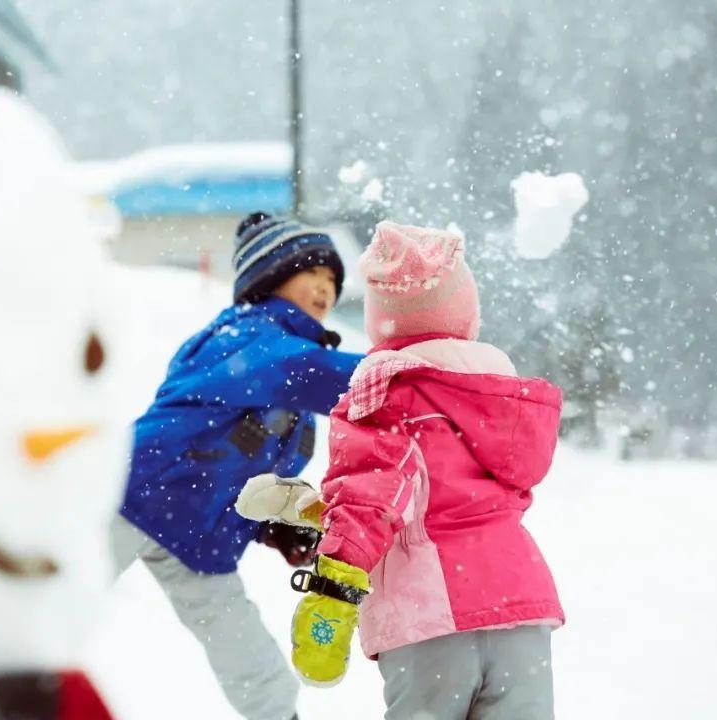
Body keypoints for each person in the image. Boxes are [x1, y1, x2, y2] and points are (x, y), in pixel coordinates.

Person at [240, 221, 564, 720]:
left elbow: (371, 501)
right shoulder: (500, 397)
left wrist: (331, 593)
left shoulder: (386, 394)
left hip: (431, 617)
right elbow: (439, 491)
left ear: (382, 319)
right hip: (520, 607)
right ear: (466, 314)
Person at [112, 212, 364, 720]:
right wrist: (406, 377)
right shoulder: (250, 335)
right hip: (130, 495)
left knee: (243, 649)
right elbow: (309, 373)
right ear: (271, 277)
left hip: (196, 534)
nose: (324, 288)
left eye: (333, 282)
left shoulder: (289, 388)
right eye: (311, 273)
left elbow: (255, 470)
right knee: (43, 608)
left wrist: (273, 526)